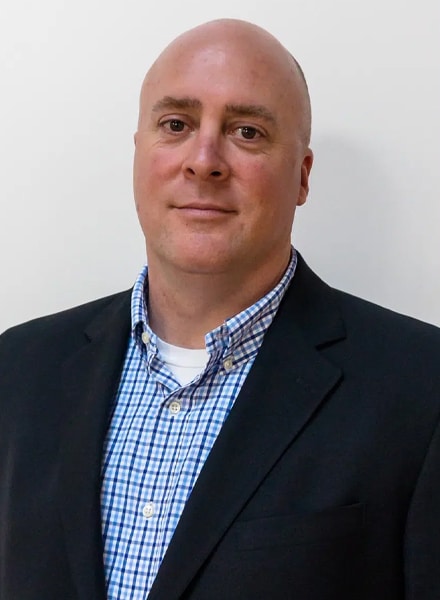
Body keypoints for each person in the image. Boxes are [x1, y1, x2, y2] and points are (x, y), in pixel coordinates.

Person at [0, 18, 439, 600]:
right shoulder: (18, 368)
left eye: (248, 132)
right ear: (139, 154)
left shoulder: (421, 388)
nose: (203, 160)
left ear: (302, 176)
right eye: (176, 124)